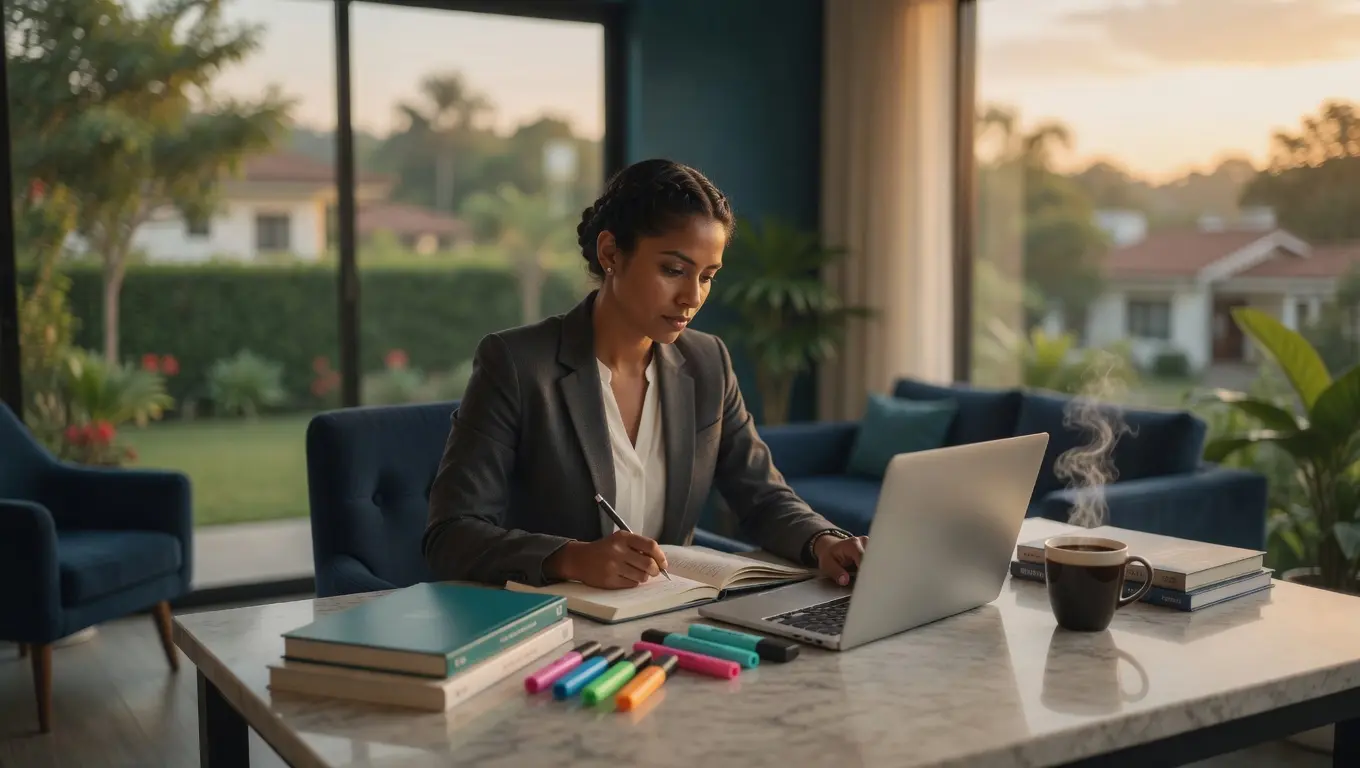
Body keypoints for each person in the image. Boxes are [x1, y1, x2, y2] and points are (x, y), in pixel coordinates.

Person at [422, 158, 866, 590]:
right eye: (673, 270)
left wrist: (823, 541)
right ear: (611, 252)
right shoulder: (517, 364)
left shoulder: (708, 361)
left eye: (707, 276)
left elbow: (762, 496)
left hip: (671, 617)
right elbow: (451, 535)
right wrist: (571, 557)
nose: (691, 297)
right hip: (550, 629)